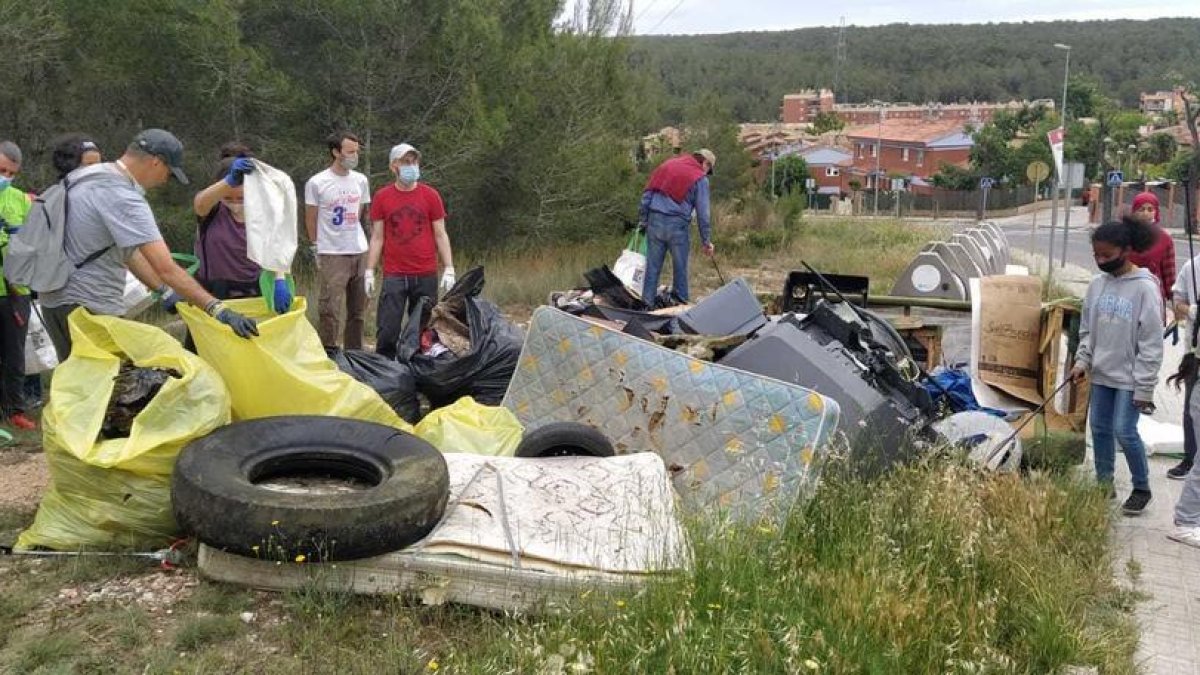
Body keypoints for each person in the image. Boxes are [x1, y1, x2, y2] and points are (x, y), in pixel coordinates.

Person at [39, 128, 258, 359]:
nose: (165, 181)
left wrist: (163, 292)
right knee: (109, 385)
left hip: (54, 302)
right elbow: (166, 268)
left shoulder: (84, 177)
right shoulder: (124, 196)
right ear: (156, 162)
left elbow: (126, 252)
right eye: (168, 173)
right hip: (88, 308)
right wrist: (217, 308)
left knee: (80, 383)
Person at [1069, 218, 1163, 516]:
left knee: (1125, 431)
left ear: (1126, 250)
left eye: (1107, 256)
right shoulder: (1097, 286)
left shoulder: (1145, 289)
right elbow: (1087, 329)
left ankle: (1141, 487)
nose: (1100, 261)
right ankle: (1103, 484)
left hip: (1131, 378)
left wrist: (1144, 387)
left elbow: (1151, 343)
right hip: (1101, 373)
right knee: (1099, 430)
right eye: (1096, 255)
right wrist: (1082, 360)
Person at [366, 143, 455, 359]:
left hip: (425, 272)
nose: (411, 166)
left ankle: (417, 369)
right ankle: (385, 370)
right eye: (405, 162)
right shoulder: (382, 197)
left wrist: (449, 267)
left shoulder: (430, 195)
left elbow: (440, 234)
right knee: (388, 329)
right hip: (395, 274)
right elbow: (378, 237)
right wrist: (369, 271)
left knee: (423, 329)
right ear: (393, 166)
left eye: (414, 161)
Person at [305, 131, 371, 350]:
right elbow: (311, 216)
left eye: (357, 151)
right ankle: (329, 350)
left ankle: (355, 352)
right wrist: (315, 246)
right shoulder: (317, 182)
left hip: (358, 249)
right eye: (350, 151)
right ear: (336, 152)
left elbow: (361, 213)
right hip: (332, 252)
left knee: (358, 309)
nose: (354, 155)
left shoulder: (361, 181)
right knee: (330, 308)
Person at [638, 149, 716, 307]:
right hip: (677, 225)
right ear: (705, 163)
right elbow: (703, 213)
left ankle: (646, 305)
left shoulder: (667, 165)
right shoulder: (700, 178)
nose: (707, 173)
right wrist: (706, 241)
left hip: (655, 220)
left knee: (652, 267)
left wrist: (644, 221)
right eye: (709, 169)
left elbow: (647, 195)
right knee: (680, 268)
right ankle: (679, 306)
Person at [190, 143, 263, 301]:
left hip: (254, 290)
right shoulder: (211, 208)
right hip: (214, 292)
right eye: (228, 198)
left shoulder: (262, 211)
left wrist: (279, 280)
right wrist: (228, 182)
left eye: (241, 198)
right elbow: (200, 204)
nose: (235, 203)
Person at [0, 141, 35, 430]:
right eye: (0, 170)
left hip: (15, 292)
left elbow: (32, 241)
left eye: (10, 173)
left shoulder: (20, 200)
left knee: (14, 354)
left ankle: (15, 410)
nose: (5, 177)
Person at [1169, 253, 1200, 479]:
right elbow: (1176, 302)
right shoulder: (1192, 266)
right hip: (1195, 352)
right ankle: (1190, 458)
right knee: (1191, 409)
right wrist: (1190, 310)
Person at [1126, 191, 1175, 306]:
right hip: (1127, 292)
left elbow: (1169, 272)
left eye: (1150, 209)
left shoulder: (1165, 238)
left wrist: (1173, 298)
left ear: (1156, 212)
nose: (1145, 213)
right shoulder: (1125, 234)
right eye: (1141, 209)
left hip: (1154, 295)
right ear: (1134, 211)